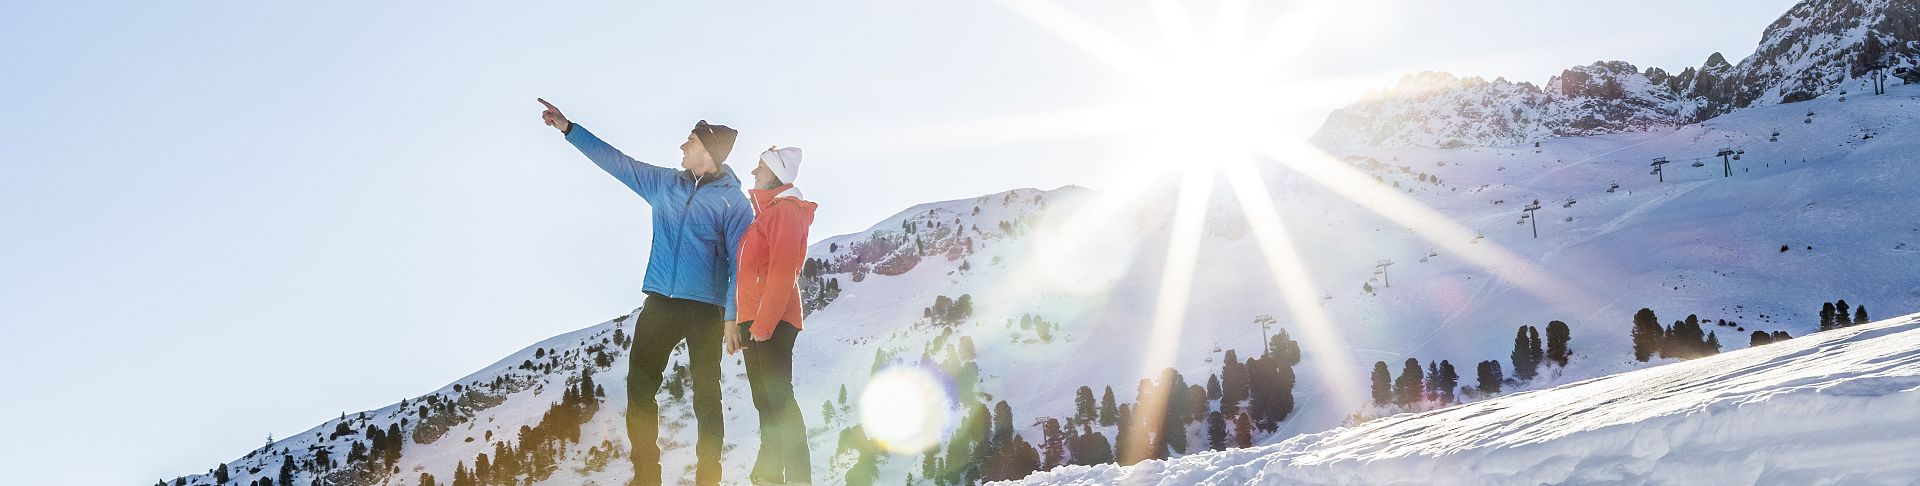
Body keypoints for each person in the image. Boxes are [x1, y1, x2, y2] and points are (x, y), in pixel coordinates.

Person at [538, 98, 752, 486]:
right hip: (660, 304)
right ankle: (647, 475)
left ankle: (709, 477)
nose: (682, 146)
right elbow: (618, 163)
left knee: (706, 395)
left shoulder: (733, 202)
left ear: (708, 150)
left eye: (690, 141)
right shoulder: (665, 184)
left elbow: (741, 263)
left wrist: (732, 315)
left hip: (705, 308)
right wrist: (570, 129)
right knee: (639, 388)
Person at [731, 146, 817, 485]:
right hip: (755, 321)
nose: (754, 172)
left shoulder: (785, 211)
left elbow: (783, 270)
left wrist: (764, 323)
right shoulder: (766, 215)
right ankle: (768, 477)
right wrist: (741, 323)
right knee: (765, 404)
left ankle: (797, 479)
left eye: (760, 167)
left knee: (779, 402)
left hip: (774, 321)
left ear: (776, 174)